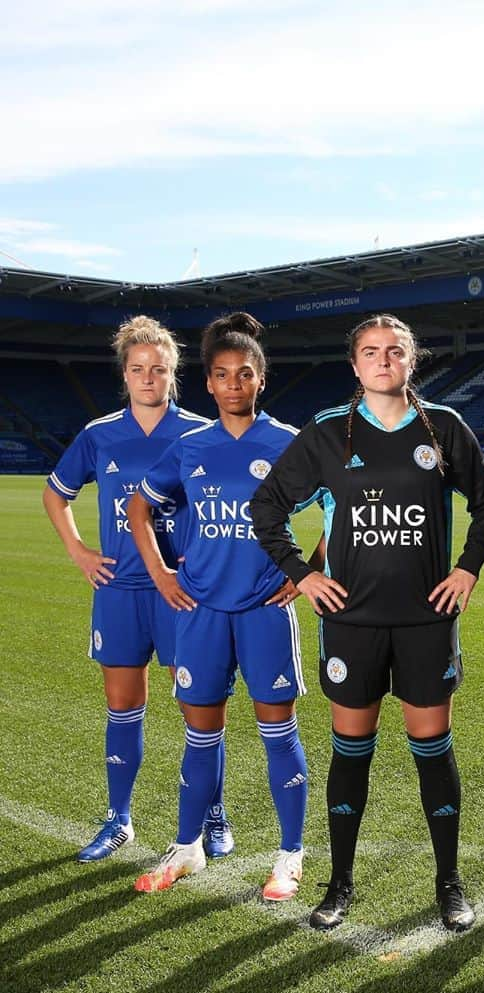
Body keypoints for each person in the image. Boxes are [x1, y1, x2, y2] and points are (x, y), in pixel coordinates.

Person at [250, 313, 484, 932]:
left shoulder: (442, 428)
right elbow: (267, 507)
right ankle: (339, 884)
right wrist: (302, 573)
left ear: (410, 361)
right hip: (351, 622)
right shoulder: (329, 433)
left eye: (395, 351)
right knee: (351, 752)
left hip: (425, 620)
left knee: (431, 750)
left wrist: (468, 568)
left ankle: (449, 881)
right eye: (371, 351)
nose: (383, 360)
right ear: (356, 365)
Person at [126, 312, 313, 901]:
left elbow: (339, 500)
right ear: (208, 383)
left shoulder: (287, 443)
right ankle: (187, 849)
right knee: (200, 734)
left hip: (263, 609)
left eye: (245, 374)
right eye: (222, 375)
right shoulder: (189, 448)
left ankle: (290, 855)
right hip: (201, 611)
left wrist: (312, 569)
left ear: (261, 379)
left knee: (276, 730)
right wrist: (160, 572)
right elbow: (139, 508)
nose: (234, 383)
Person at [41, 316, 238, 863]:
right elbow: (55, 495)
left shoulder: (204, 432)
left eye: (158, 368)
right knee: (122, 705)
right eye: (137, 369)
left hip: (184, 593)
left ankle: (213, 815)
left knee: (198, 710)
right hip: (120, 590)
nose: (148, 377)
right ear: (124, 374)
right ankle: (118, 818)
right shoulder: (99, 434)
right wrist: (80, 551)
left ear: (173, 372)